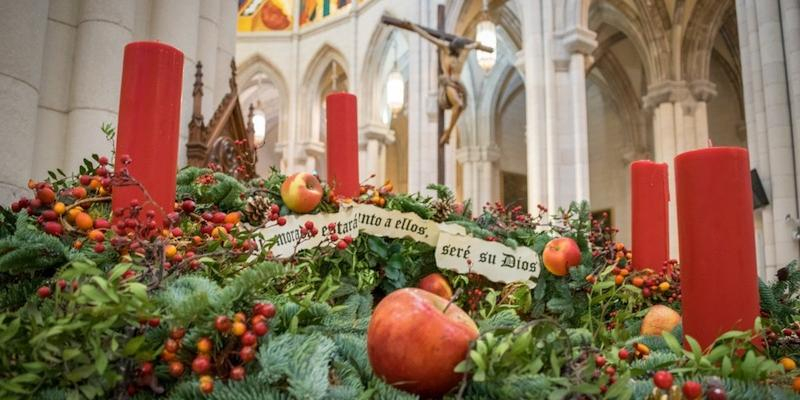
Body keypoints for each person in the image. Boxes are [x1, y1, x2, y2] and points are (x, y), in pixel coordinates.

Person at [409, 24, 480, 146]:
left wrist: (477, 44)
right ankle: (448, 132)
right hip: (449, 84)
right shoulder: (446, 50)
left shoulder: (462, 52)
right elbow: (429, 37)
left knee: (460, 107)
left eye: (462, 49)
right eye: (460, 49)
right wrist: (413, 27)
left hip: (458, 85)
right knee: (458, 104)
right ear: (455, 47)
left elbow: (472, 46)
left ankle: (448, 131)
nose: (461, 51)